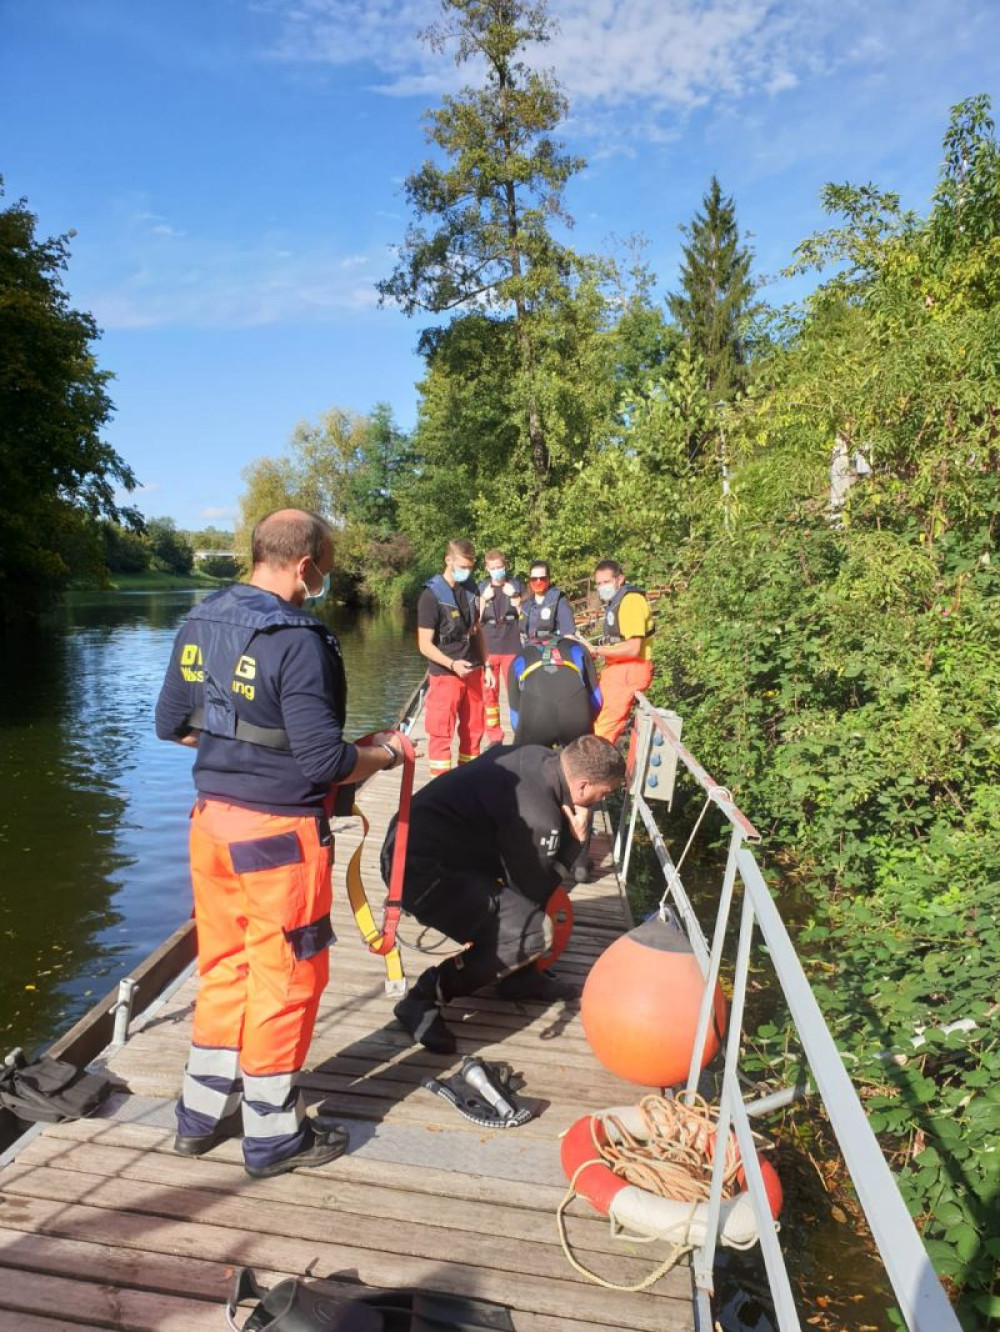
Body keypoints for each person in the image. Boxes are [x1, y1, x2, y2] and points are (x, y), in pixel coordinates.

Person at [154, 509, 405, 1178]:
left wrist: (232, 740)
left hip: (211, 826)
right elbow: (326, 761)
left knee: (225, 966)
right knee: (287, 979)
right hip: (276, 840)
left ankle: (198, 1117)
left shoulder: (202, 619)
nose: (325, 576)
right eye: (325, 564)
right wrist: (381, 754)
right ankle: (272, 1137)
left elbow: (171, 723)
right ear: (304, 565)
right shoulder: (301, 641)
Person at [380, 735, 626, 1053]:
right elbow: (533, 890)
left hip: (428, 845)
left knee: (523, 906)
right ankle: (422, 998)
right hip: (417, 871)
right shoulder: (540, 814)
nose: (600, 801)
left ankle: (518, 978)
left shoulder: (539, 757)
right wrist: (574, 845)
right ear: (582, 786)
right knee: (534, 932)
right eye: (603, 794)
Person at [417, 538, 489, 777]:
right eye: (462, 566)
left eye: (470, 568)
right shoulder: (430, 597)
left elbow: (477, 630)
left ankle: (468, 781)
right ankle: (441, 788)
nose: (466, 572)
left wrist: (486, 665)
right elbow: (424, 645)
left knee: (474, 729)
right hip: (446, 673)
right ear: (449, 560)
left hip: (473, 670)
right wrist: (452, 664)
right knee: (441, 733)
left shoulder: (471, 589)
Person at [591, 560, 655, 744]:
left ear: (620, 579)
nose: (602, 587)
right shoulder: (617, 601)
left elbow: (633, 648)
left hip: (631, 669)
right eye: (599, 583)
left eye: (606, 582)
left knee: (604, 728)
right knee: (593, 716)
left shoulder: (631, 601)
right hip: (616, 668)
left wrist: (597, 650)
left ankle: (595, 767)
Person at [507, 635, 602, 750]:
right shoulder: (577, 648)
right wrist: (587, 723)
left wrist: (523, 737)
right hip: (575, 713)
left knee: (527, 762)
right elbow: (597, 699)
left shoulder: (520, 656)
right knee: (581, 763)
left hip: (536, 716)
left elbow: (514, 714)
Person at [477, 549, 524, 745]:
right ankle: (495, 737)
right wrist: (483, 599)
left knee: (516, 693)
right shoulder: (480, 589)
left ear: (506, 566)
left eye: (500, 567)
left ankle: (521, 733)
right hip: (488, 648)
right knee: (489, 695)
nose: (497, 571)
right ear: (487, 568)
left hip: (512, 647)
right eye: (493, 568)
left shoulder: (516, 586)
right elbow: (474, 621)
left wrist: (516, 598)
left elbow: (526, 617)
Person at [520, 560, 576, 644]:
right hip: (531, 652)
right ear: (530, 580)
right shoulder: (526, 604)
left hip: (553, 652)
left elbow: (569, 635)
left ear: (548, 579)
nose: (538, 582)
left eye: (542, 578)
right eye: (534, 579)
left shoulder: (559, 600)